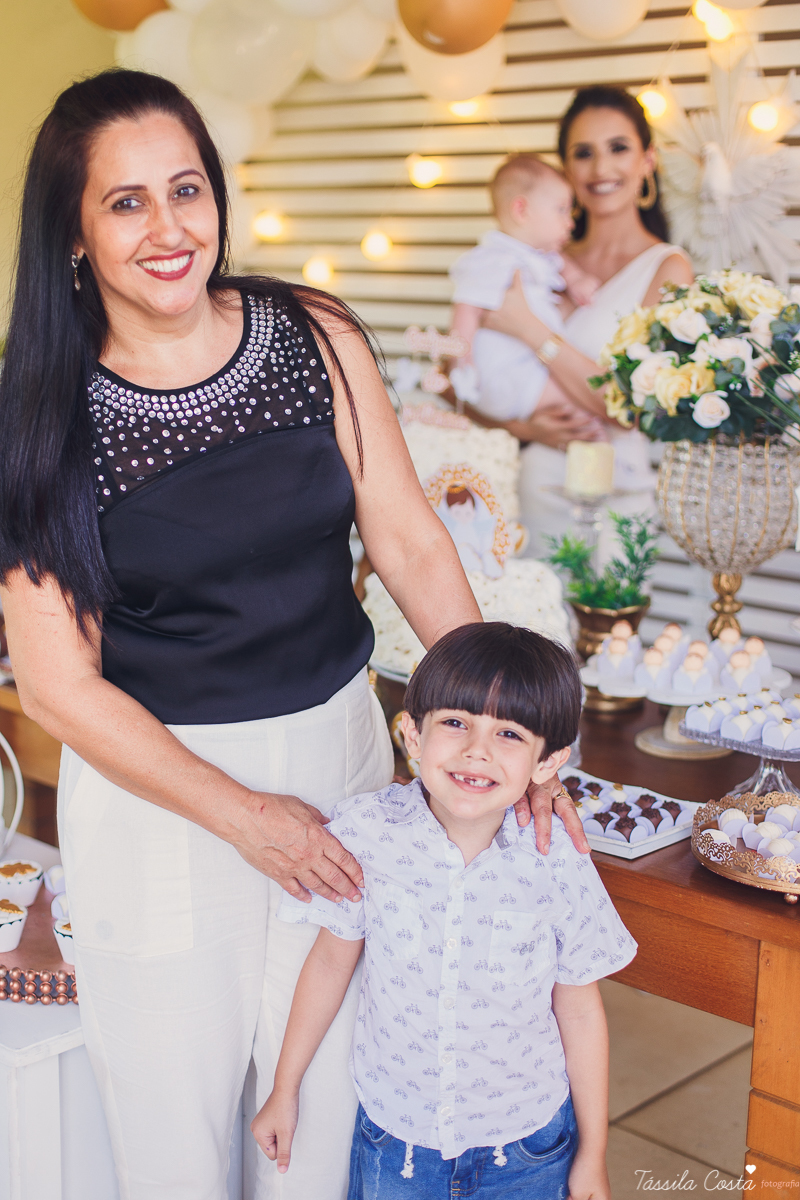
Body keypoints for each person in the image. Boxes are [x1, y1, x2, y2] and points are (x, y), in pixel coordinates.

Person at [0, 70, 586, 1200]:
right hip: (163, 798)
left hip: (348, 765)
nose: (169, 229)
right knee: (174, 1139)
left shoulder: (309, 333)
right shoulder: (39, 413)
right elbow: (61, 690)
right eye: (126, 204)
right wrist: (244, 818)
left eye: (187, 189)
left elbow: (409, 542)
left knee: (327, 1127)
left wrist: (503, 724)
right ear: (73, 234)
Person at [252, 622, 637, 1200]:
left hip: (527, 1146)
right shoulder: (368, 835)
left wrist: (594, 1155)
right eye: (455, 723)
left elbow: (578, 1008)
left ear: (546, 762)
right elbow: (331, 965)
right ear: (411, 734)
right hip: (398, 1144)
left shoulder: (556, 855)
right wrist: (285, 1089)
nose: (476, 750)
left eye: (509, 733)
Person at [466, 86, 695, 558]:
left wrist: (531, 329)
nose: (601, 168)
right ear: (565, 169)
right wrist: (530, 430)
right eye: (583, 153)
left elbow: (626, 409)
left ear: (648, 160)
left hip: (614, 500)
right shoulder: (534, 262)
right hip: (527, 493)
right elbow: (469, 386)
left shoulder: (668, 268)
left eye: (619, 148)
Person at [448, 153, 601, 438]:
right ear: (522, 210)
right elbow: (466, 310)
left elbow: (560, 263)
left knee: (578, 395)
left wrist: (577, 279)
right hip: (503, 372)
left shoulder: (538, 254)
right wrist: (462, 363)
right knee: (581, 405)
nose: (570, 223)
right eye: (561, 210)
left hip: (528, 364)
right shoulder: (492, 258)